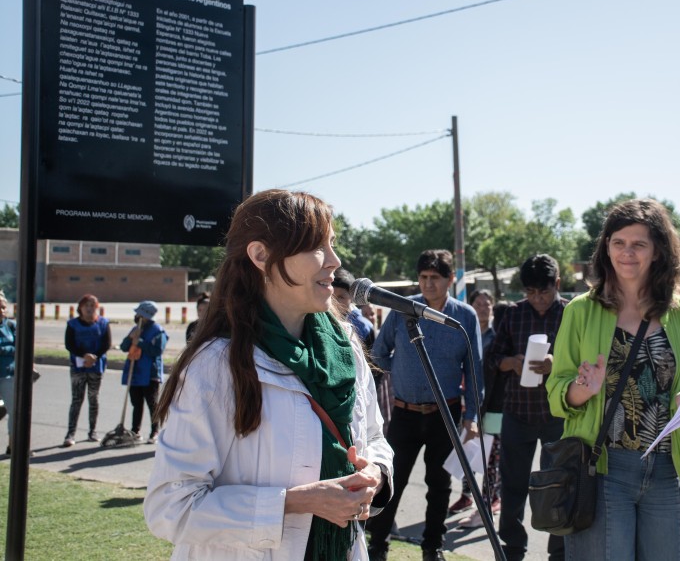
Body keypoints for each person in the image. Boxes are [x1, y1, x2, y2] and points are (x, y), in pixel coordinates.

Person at [144, 189, 393, 560]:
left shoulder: (346, 348)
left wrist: (376, 474)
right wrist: (294, 502)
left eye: (333, 245)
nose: (335, 262)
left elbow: (373, 436)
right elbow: (170, 508)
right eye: (317, 247)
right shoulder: (215, 365)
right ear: (261, 256)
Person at [547, 198, 680, 561]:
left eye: (639, 244)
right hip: (603, 468)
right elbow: (555, 393)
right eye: (618, 243)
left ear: (657, 252)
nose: (628, 253)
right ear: (606, 249)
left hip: (670, 467)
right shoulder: (581, 311)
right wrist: (581, 390)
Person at [367, 249, 482, 561]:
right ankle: (378, 545)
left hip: (445, 414)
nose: (428, 284)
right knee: (391, 480)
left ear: (449, 280)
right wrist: (400, 368)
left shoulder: (464, 317)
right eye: (423, 277)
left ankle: (433, 548)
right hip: (404, 412)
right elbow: (378, 353)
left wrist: (471, 416)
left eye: (435, 278)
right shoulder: (403, 309)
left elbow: (473, 369)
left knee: (439, 485)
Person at [486, 254, 569, 561]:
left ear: (557, 284)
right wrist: (510, 362)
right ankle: (512, 548)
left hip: (558, 415)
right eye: (531, 293)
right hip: (518, 413)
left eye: (544, 292)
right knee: (513, 485)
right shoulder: (513, 314)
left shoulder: (572, 314)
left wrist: (555, 364)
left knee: (558, 484)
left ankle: (558, 551)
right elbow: (492, 358)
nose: (537, 299)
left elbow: (586, 360)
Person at [456, 289, 505, 529]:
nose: (483, 308)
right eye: (479, 303)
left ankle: (488, 504)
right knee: (469, 452)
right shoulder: (466, 333)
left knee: (492, 457)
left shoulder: (497, 337)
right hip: (471, 403)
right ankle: (468, 495)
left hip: (494, 406)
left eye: (487, 303)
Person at [63, 293, 112, 446]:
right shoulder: (72, 324)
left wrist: (94, 356)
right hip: (78, 366)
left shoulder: (103, 323)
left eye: (93, 306)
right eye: (87, 306)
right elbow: (69, 344)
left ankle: (92, 431)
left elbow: (106, 343)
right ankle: (70, 434)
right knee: (77, 399)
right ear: (80, 308)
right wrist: (84, 355)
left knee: (93, 398)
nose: (90, 309)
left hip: (96, 366)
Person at [119, 301, 168, 443]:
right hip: (135, 372)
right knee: (136, 403)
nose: (137, 316)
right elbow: (123, 347)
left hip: (150, 374)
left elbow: (157, 351)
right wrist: (131, 338)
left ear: (146, 316)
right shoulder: (135, 329)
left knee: (152, 404)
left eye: (139, 314)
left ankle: (155, 431)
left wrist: (139, 341)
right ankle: (135, 431)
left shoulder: (158, 331)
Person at [0, 291, 20, 456]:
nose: (1, 310)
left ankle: (13, 445)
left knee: (14, 412)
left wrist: (4, 349)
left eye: (3, 307)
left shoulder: (11, 326)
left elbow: (20, 347)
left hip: (9, 375)